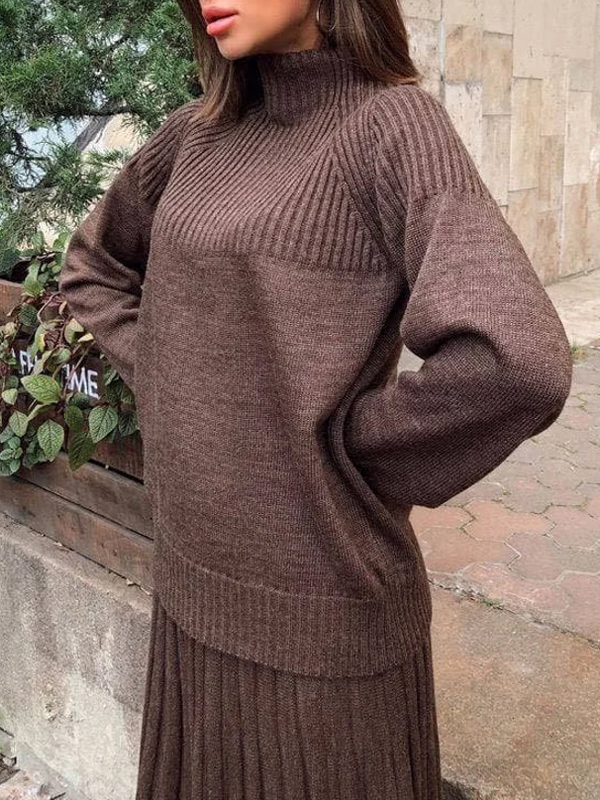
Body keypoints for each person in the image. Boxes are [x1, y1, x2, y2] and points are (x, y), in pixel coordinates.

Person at [57, 0, 573, 796]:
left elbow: (517, 363)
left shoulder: (391, 127)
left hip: (324, 618)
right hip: (192, 591)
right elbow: (93, 267)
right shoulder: (194, 135)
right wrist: (168, 371)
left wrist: (345, 446)